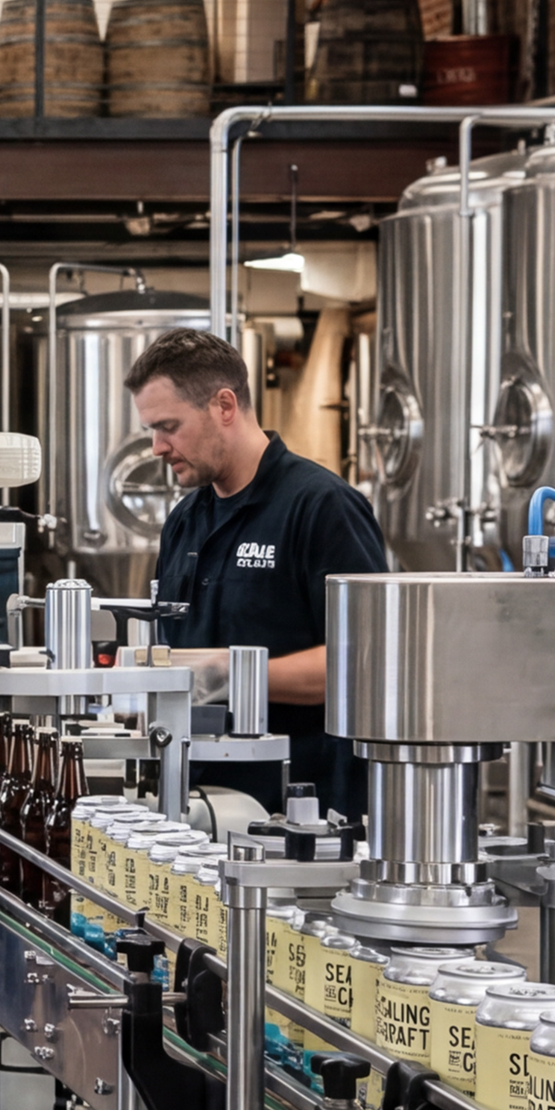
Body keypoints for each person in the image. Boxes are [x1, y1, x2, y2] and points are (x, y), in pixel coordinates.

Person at [126, 326, 388, 818]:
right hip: (196, 805)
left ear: (224, 406)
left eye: (169, 426)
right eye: (151, 431)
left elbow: (367, 661)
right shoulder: (185, 520)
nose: (158, 448)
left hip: (299, 812)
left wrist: (230, 673)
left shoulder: (321, 507)